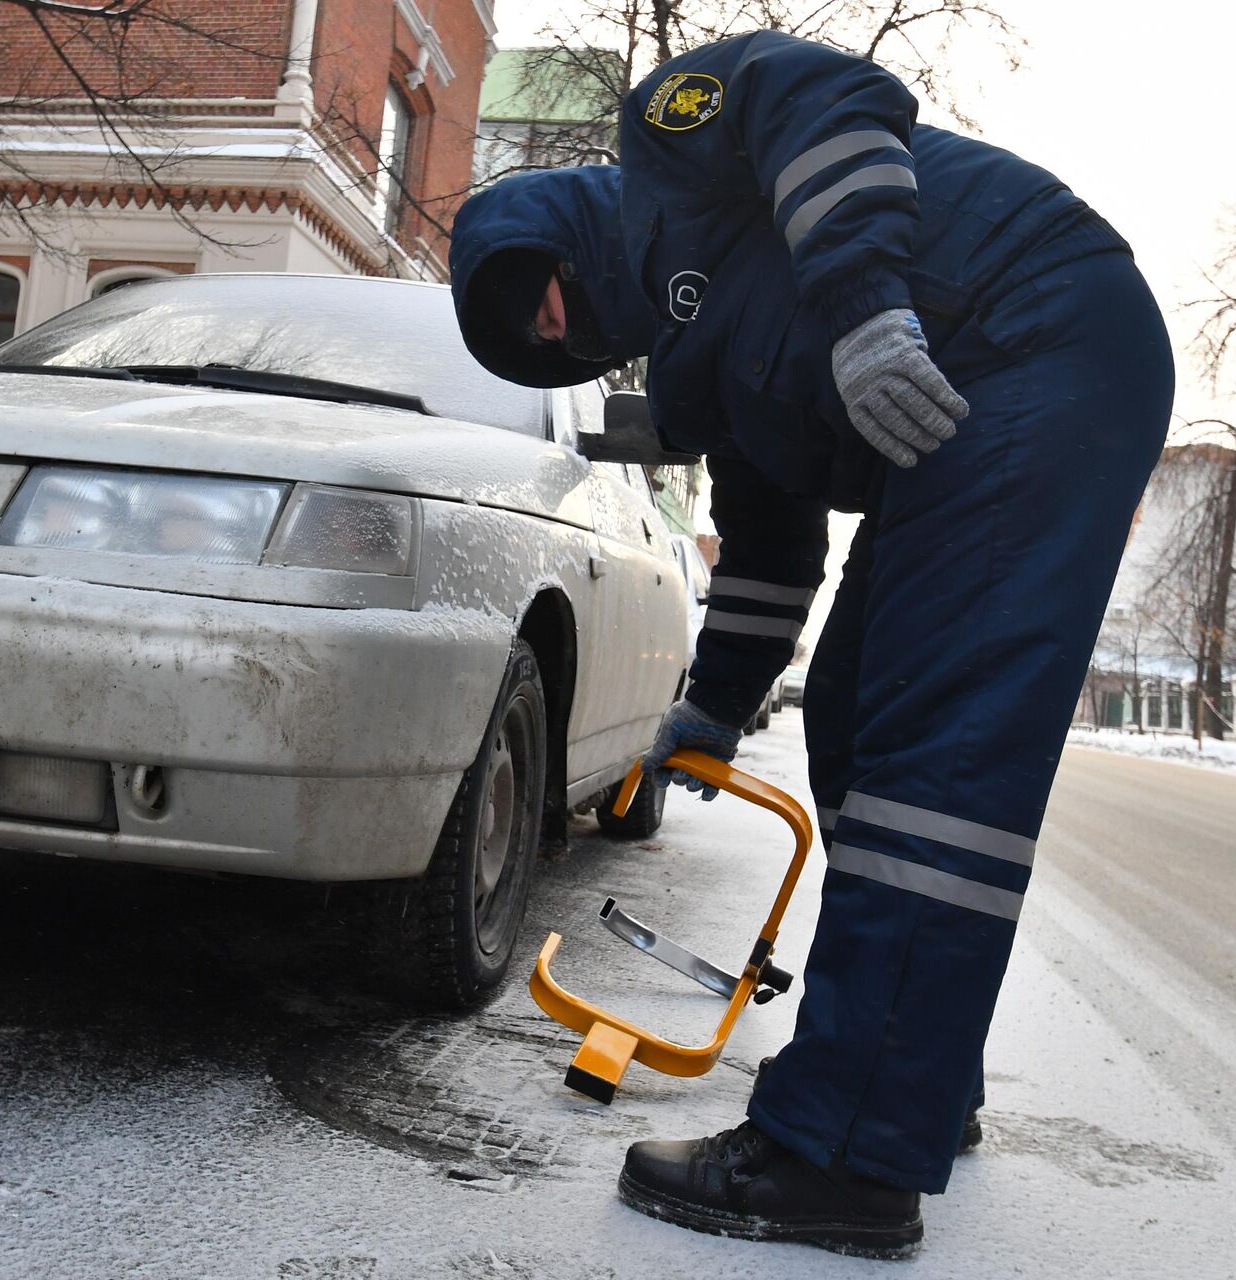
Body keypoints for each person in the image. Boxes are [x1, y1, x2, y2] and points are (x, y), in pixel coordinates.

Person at [449, 29, 1173, 1258]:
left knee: (934, 753)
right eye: (551, 346)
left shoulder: (669, 145)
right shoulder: (705, 369)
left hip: (1031, 328)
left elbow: (823, 95)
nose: (567, 335)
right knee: (849, 714)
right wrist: (713, 707)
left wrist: (866, 309)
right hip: (963, 403)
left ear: (555, 233)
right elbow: (773, 542)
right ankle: (906, 1084)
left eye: (548, 301)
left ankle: (839, 1153)